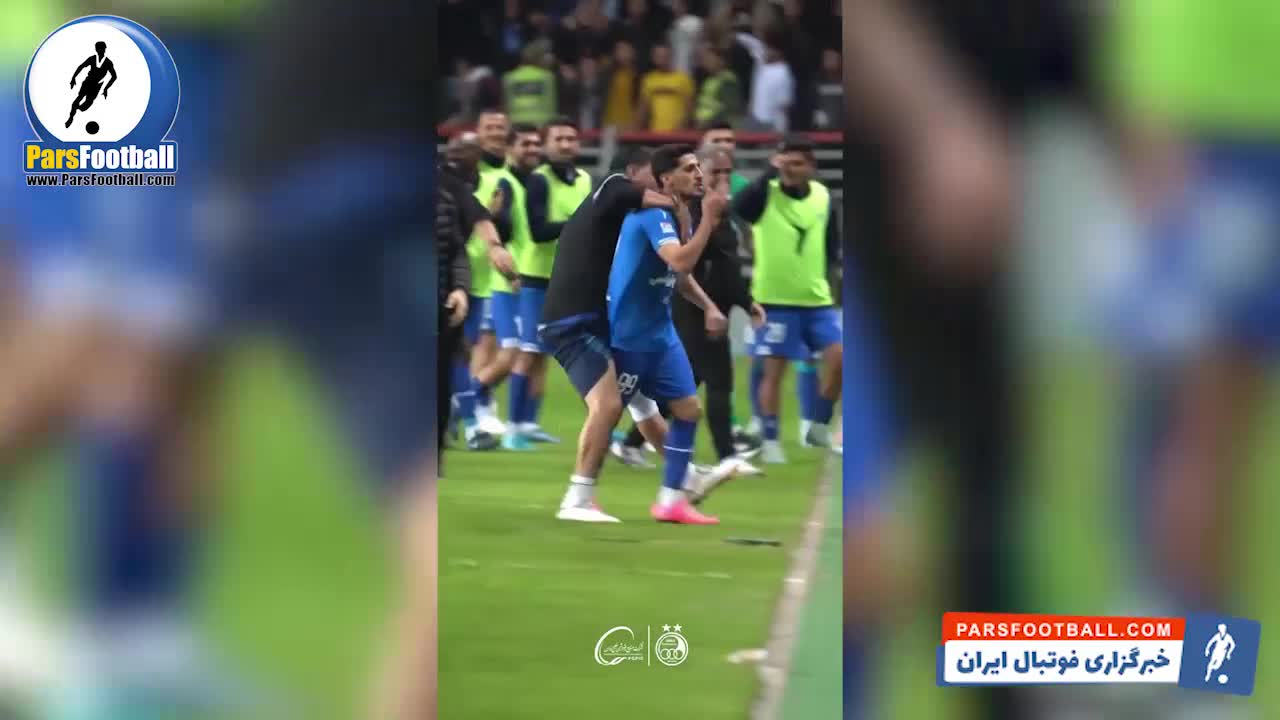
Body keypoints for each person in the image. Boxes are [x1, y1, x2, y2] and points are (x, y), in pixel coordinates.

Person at [537, 147, 679, 523]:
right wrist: (680, 198)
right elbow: (634, 195)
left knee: (641, 401)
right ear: (632, 171)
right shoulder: (612, 187)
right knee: (608, 405)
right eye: (654, 175)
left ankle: (685, 475)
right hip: (572, 321)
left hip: (595, 319)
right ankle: (577, 499)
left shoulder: (618, 215)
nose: (660, 182)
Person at [611, 146, 766, 486]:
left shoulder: (700, 212)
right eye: (709, 171)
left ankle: (657, 467)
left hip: (685, 317)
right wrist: (709, 220)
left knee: (689, 396)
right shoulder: (670, 213)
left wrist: (730, 303)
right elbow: (682, 263)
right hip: (655, 320)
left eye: (726, 172)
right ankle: (585, 486)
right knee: (613, 409)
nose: (717, 178)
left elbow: (711, 268)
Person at [607, 144, 729, 524]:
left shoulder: (679, 214)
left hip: (659, 333)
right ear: (666, 179)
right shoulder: (653, 214)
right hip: (627, 334)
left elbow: (677, 275)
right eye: (689, 169)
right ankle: (578, 495)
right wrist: (709, 220)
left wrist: (708, 306)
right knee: (605, 415)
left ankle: (671, 500)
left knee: (688, 410)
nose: (699, 174)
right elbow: (679, 260)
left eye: (698, 167)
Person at [733, 136, 842, 464]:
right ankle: (770, 439)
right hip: (774, 300)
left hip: (817, 300)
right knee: (774, 372)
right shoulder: (764, 194)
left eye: (797, 163)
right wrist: (769, 172)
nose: (790, 169)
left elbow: (831, 245)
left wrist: (832, 286)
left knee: (839, 359)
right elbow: (740, 207)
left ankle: (819, 424)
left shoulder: (823, 195)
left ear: (811, 167)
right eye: (785, 162)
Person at [504, 117, 588, 450]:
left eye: (571, 138)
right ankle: (513, 428)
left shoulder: (583, 179)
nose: (566, 144)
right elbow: (539, 231)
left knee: (544, 354)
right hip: (537, 278)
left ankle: (529, 422)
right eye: (559, 139)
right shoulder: (538, 180)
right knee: (528, 351)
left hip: (568, 277)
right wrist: (579, 224)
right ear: (547, 144)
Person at [457, 122, 541, 445]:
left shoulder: (522, 180)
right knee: (505, 350)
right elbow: (495, 228)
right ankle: (468, 404)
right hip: (496, 277)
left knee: (491, 346)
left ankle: (479, 410)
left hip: (509, 275)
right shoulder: (495, 181)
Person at [636, 42, 695, 132]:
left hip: (678, 133)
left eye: (664, 56)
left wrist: (683, 126)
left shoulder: (683, 79)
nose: (661, 59)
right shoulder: (648, 79)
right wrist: (637, 128)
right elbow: (643, 108)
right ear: (653, 58)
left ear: (670, 56)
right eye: (658, 56)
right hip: (654, 132)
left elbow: (690, 108)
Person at [66, 41, 116, 129]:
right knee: (78, 98)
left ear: (105, 49)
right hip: (88, 82)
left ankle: (79, 108)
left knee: (86, 105)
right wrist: (73, 78)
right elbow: (81, 66)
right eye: (98, 49)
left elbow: (114, 76)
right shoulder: (92, 58)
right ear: (96, 49)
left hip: (96, 85)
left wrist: (106, 88)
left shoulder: (108, 62)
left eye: (102, 49)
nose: (100, 50)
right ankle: (71, 117)